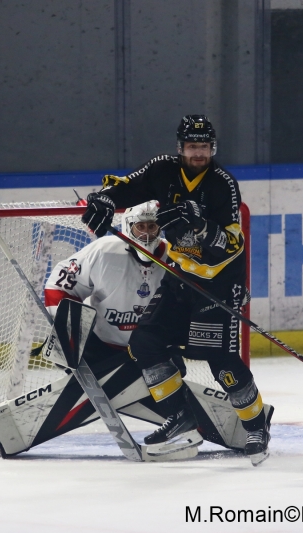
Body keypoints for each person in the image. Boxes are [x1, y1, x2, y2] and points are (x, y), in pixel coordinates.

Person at [0, 201, 266, 459]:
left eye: (154, 226)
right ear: (128, 226)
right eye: (141, 226)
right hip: (101, 351)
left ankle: (207, 419)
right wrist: (69, 332)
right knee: (137, 377)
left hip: (155, 355)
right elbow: (59, 285)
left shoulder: (178, 259)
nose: (147, 233)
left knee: (161, 368)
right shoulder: (103, 250)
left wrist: (230, 293)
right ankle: (183, 414)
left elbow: (212, 282)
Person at [81, 115, 272, 466]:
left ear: (211, 148)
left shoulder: (222, 184)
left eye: (203, 147)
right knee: (145, 342)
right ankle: (180, 415)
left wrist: (199, 225)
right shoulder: (162, 169)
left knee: (222, 362)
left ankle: (256, 427)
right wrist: (104, 198)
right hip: (180, 278)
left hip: (219, 284)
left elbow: (232, 244)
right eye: (191, 146)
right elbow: (126, 187)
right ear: (180, 147)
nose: (198, 153)